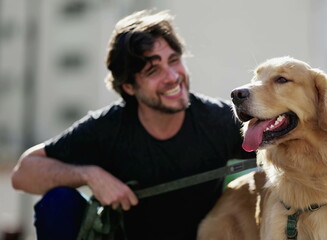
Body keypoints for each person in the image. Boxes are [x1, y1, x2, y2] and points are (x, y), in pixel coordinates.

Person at [11, 10, 254, 240]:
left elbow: (282, 148)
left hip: (205, 236)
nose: (172, 76)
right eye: (153, 70)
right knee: (58, 201)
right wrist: (89, 174)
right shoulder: (108, 127)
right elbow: (23, 173)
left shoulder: (219, 120)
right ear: (129, 87)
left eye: (174, 60)